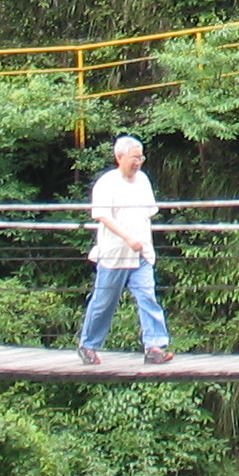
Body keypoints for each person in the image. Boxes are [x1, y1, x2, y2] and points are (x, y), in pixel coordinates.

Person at [79, 134, 172, 367]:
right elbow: (102, 215)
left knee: (148, 296)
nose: (138, 162)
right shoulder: (107, 183)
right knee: (104, 301)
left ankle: (154, 346)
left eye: (141, 157)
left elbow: (148, 212)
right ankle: (88, 346)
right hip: (114, 254)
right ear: (119, 157)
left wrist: (140, 240)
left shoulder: (143, 181)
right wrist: (128, 237)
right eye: (134, 157)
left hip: (140, 254)